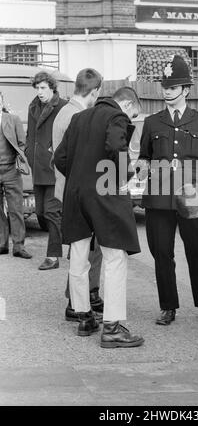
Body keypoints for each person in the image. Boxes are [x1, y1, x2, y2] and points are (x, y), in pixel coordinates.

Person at [137, 54, 198, 327]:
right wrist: (139, 168)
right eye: (164, 87)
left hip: (192, 197)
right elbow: (143, 157)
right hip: (159, 198)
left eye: (173, 87)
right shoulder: (152, 122)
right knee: (161, 252)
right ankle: (168, 306)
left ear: (186, 90)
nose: (167, 91)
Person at [54, 86, 144, 348]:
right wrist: (123, 177)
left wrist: (79, 178)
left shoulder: (79, 117)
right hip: (104, 193)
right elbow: (116, 146)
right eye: (134, 114)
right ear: (126, 105)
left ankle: (85, 317)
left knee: (79, 255)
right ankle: (113, 328)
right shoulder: (116, 117)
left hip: (75, 194)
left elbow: (60, 157)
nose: (131, 119)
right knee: (115, 257)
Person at [52, 68, 104, 322]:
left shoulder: (65, 110)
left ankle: (79, 298)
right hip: (77, 192)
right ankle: (78, 302)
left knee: (80, 250)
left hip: (66, 189)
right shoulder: (78, 115)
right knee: (84, 251)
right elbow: (66, 158)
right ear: (94, 91)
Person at [25, 71, 67, 270]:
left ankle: (53, 256)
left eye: (43, 88)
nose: (39, 92)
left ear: (52, 87)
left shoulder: (63, 106)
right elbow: (30, 135)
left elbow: (69, 135)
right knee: (40, 213)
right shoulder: (33, 105)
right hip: (37, 168)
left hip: (54, 168)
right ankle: (70, 237)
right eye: (37, 88)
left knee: (51, 212)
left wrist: (55, 151)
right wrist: (28, 151)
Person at [0, 92, 32, 259]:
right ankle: (2, 244)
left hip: (11, 170)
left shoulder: (13, 119)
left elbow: (22, 143)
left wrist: (19, 158)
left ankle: (18, 246)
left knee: (16, 209)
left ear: (1, 100)